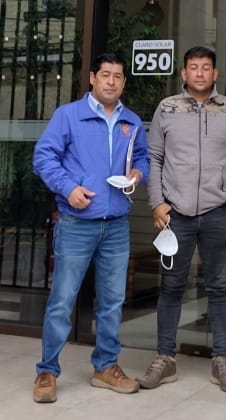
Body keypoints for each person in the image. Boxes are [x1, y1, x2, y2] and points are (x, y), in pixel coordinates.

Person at [138, 46, 226, 393]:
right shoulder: (167, 108)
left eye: (206, 67)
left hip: (217, 212)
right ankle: (165, 358)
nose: (200, 73)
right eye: (194, 67)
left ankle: (222, 360)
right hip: (175, 214)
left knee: (219, 286)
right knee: (172, 286)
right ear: (184, 73)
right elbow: (154, 157)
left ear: (215, 74)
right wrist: (157, 202)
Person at [32, 52, 150, 403]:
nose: (111, 81)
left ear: (124, 82)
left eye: (118, 76)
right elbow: (43, 157)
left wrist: (138, 174)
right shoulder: (69, 115)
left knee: (112, 301)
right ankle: (47, 371)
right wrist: (69, 188)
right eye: (105, 74)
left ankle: (105, 366)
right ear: (92, 78)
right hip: (76, 223)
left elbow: (142, 157)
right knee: (62, 300)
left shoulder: (131, 121)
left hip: (116, 225)